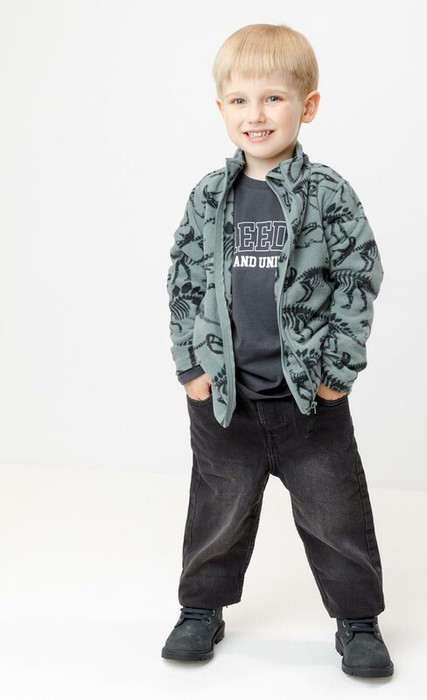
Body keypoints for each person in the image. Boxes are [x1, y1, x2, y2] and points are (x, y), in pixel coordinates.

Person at [162, 23, 394, 678]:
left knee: (335, 516)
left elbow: (358, 276)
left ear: (306, 106)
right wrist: (191, 366)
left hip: (307, 404)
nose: (255, 114)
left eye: (273, 98)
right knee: (216, 515)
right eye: (240, 100)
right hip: (225, 401)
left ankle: (358, 623)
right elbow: (183, 279)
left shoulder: (327, 194)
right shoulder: (209, 197)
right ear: (221, 109)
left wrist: (336, 371)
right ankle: (200, 611)